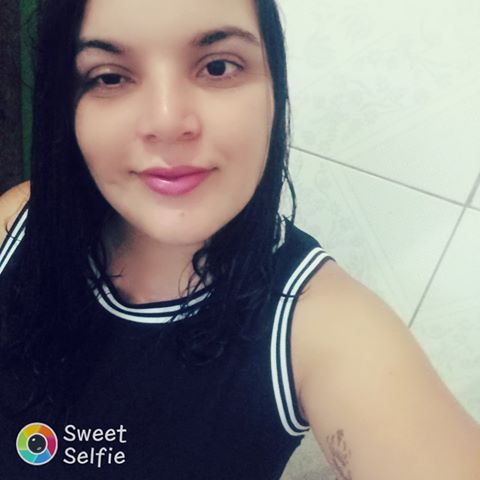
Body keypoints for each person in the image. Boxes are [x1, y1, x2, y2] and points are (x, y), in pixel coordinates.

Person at [0, 0, 479, 479]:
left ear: (274, 87)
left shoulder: (321, 327)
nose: (167, 122)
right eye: (109, 77)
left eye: (217, 67)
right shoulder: (20, 220)